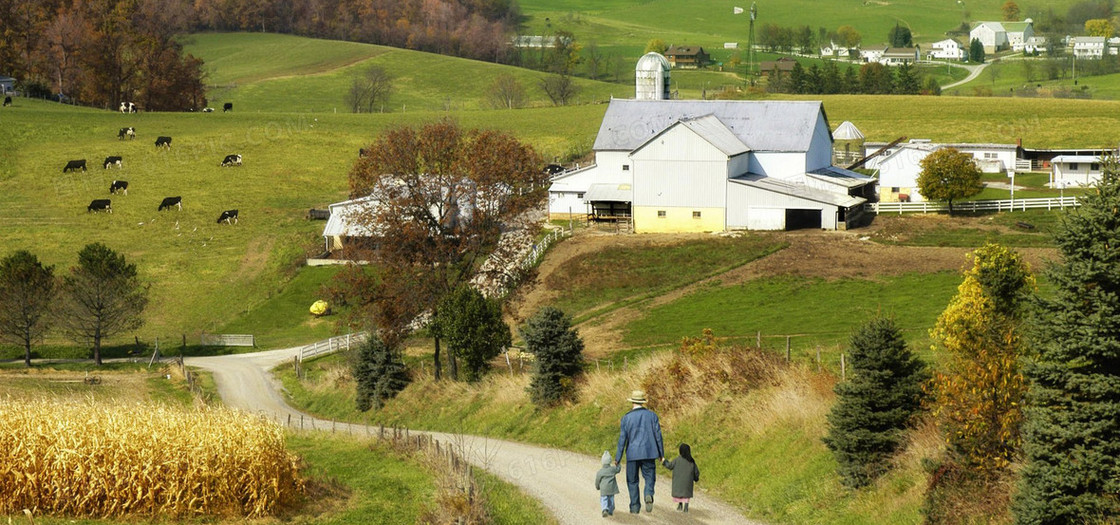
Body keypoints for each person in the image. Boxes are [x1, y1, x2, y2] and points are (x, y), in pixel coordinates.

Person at [614, 389, 664, 514]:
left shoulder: (626, 418)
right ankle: (648, 494)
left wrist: (618, 457)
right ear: (643, 402)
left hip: (632, 454)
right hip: (649, 452)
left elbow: (622, 439)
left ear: (632, 402)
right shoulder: (652, 416)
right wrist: (661, 454)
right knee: (649, 477)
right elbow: (658, 436)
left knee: (632, 481)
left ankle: (635, 507)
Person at [662, 443, 700, 512]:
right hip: (687, 486)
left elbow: (670, 466)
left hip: (678, 484)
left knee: (680, 490)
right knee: (686, 492)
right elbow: (696, 473)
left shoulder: (677, 460)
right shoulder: (691, 461)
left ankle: (680, 504)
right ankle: (686, 506)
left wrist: (664, 461)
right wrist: (696, 478)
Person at [595, 451, 621, 517]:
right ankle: (610, 511)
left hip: (603, 489)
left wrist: (597, 487)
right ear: (610, 461)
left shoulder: (600, 472)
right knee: (611, 500)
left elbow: (597, 480)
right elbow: (618, 469)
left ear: (602, 462)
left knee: (604, 499)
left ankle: (604, 509)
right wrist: (617, 464)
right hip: (611, 489)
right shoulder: (612, 469)